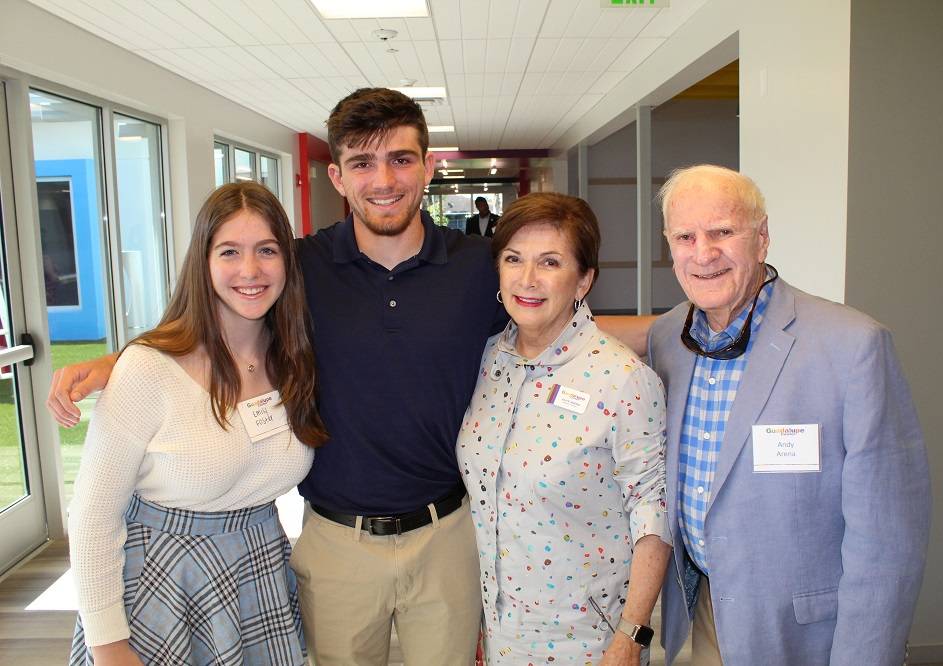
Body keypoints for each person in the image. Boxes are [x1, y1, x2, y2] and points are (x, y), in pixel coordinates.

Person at [47, 87, 652, 666]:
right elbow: (219, 321)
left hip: (447, 535)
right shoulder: (298, 267)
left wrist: (679, 331)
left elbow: (549, 318)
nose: (383, 180)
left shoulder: (475, 267)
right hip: (336, 541)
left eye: (400, 159)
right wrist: (121, 362)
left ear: (428, 167)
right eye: (362, 163)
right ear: (337, 176)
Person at [647, 165, 931, 665]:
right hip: (705, 614)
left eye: (722, 232)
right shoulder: (670, 338)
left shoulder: (852, 346)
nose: (703, 253)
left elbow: (888, 539)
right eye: (685, 237)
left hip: (807, 637)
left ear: (762, 238)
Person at [66, 181, 326, 666]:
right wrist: (108, 644)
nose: (250, 270)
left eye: (267, 250)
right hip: (162, 585)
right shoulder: (148, 368)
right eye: (229, 252)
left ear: (287, 262)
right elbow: (92, 516)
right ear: (202, 263)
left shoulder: (293, 357)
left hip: (260, 572)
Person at [457, 193, 670, 665]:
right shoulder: (487, 361)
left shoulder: (623, 380)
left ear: (584, 280)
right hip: (498, 634)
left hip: (589, 642)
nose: (528, 279)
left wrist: (630, 637)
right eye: (514, 259)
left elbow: (653, 514)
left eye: (550, 262)